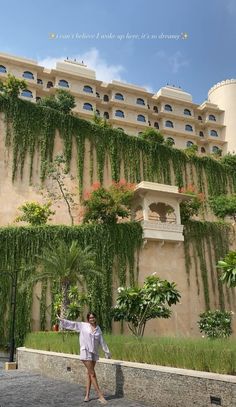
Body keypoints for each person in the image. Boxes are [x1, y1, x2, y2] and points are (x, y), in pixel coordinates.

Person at [57, 312, 111, 404]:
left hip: (94, 353)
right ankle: (100, 396)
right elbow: (73, 324)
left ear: (95, 318)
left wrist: (107, 351)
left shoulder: (98, 329)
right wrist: (62, 320)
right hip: (85, 352)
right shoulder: (83, 326)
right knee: (92, 374)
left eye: (93, 317)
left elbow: (102, 341)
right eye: (90, 318)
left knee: (89, 374)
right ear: (88, 319)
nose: (92, 319)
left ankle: (87, 396)